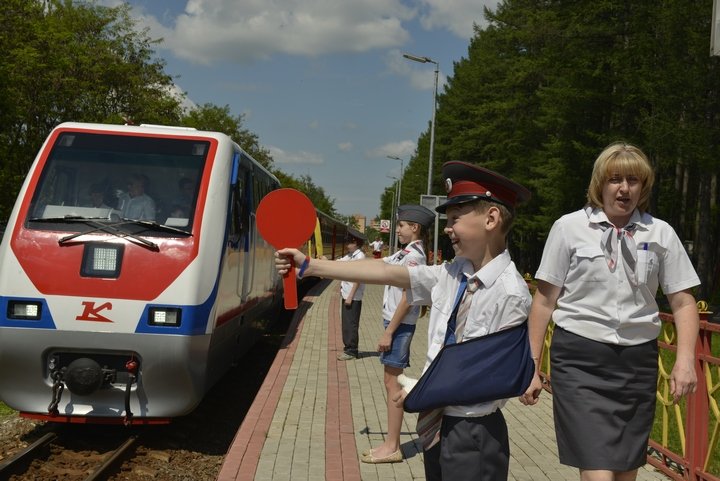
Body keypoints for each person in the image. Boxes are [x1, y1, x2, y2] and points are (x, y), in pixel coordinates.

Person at [276, 161, 532, 479]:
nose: (448, 228)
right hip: (438, 424)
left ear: (491, 219)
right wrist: (310, 266)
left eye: (455, 219)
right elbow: (386, 271)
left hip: (474, 431)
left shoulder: (511, 293)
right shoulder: (453, 274)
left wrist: (424, 388)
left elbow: (491, 376)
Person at [520, 142, 700, 481]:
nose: (624, 188)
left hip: (637, 365)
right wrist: (530, 366)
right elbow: (543, 301)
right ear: (599, 183)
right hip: (580, 362)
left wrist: (685, 360)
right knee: (598, 473)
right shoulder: (569, 228)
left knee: (625, 471)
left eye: (633, 180)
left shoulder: (660, 233)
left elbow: (683, 301)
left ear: (643, 187)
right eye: (615, 179)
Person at [361, 205, 434, 464]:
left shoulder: (414, 257)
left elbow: (408, 298)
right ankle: (390, 442)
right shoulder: (405, 253)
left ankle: (392, 446)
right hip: (395, 324)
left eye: (402, 225)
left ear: (415, 228)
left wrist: (389, 332)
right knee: (390, 382)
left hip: (399, 326)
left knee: (394, 385)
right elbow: (380, 265)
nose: (398, 229)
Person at [336, 230, 366, 361]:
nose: (347, 245)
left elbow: (358, 278)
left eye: (349, 242)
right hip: (347, 295)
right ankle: (348, 349)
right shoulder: (351, 255)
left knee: (351, 324)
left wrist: (350, 296)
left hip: (353, 297)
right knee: (346, 324)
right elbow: (339, 263)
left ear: (355, 243)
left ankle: (352, 351)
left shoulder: (360, 257)